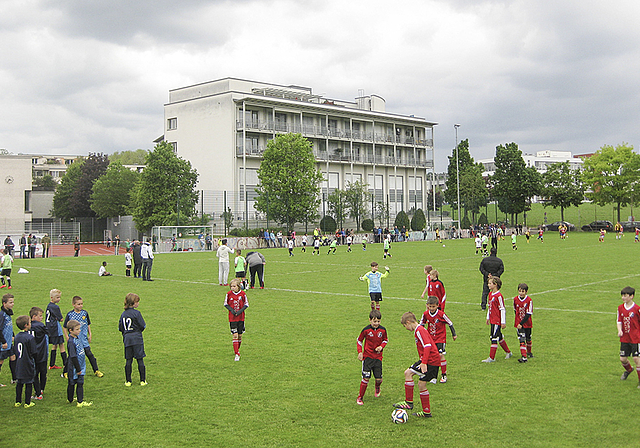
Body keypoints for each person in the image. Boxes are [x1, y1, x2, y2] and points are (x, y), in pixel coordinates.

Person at [393, 311, 441, 418]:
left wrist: (424, 363)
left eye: (405, 325)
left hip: (430, 361)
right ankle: (426, 412)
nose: (406, 328)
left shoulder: (419, 330)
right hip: (429, 360)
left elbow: (427, 346)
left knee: (409, 374)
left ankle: (409, 403)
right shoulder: (419, 330)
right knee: (419, 383)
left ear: (408, 322)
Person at [63, 296, 103, 378]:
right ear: (73, 305)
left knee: (89, 354)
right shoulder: (70, 315)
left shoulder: (85, 313)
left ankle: (96, 370)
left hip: (83, 338)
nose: (81, 306)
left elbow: (88, 324)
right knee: (71, 356)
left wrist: (90, 334)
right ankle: (65, 372)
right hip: (75, 339)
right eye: (78, 304)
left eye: (81, 304)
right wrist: (67, 336)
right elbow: (65, 327)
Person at [420, 296, 457, 383]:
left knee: (440, 355)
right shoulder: (425, 314)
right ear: (427, 306)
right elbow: (422, 324)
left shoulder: (441, 314)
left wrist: (454, 334)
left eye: (433, 306)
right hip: (430, 339)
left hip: (440, 339)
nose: (431, 308)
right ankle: (433, 376)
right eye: (430, 306)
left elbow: (450, 323)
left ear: (437, 306)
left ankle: (444, 375)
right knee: (432, 357)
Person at [356, 309, 388, 405]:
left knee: (379, 379)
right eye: (374, 321)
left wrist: (381, 347)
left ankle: (377, 386)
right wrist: (360, 352)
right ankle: (360, 397)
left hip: (378, 358)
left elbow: (385, 340)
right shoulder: (366, 330)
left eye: (378, 321)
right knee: (366, 378)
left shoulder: (383, 330)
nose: (376, 323)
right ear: (370, 320)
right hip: (368, 358)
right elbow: (359, 341)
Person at [482, 276, 512, 362]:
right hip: (492, 319)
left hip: (497, 320)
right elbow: (490, 306)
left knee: (493, 337)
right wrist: (488, 317)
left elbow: (502, 309)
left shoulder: (499, 296)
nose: (488, 285)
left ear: (495, 285)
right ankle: (508, 352)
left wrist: (503, 322)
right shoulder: (490, 294)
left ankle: (491, 358)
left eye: (490, 283)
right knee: (499, 336)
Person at [119, 293, 147, 387]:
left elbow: (121, 328)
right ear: (133, 303)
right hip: (137, 338)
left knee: (128, 360)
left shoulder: (123, 314)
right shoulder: (137, 313)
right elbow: (142, 325)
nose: (138, 304)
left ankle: (128, 381)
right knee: (140, 359)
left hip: (127, 339)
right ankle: (142, 380)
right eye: (137, 302)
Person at [65, 319, 92, 407]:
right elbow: (73, 356)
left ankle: (70, 399)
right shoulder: (71, 342)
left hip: (79, 364)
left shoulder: (77, 338)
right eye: (77, 329)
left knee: (73, 382)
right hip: (75, 366)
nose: (79, 330)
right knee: (78, 383)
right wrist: (78, 368)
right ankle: (80, 402)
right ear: (70, 330)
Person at [617, 286, 640, 386]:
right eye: (622, 295)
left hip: (636, 338)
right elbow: (619, 321)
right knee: (623, 359)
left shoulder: (637, 309)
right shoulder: (620, 308)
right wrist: (620, 330)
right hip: (625, 338)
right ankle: (629, 370)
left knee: (636, 359)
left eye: (625, 296)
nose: (623, 298)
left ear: (631, 296)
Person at [13, 315, 36, 407]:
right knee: (29, 383)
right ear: (26, 325)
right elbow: (33, 351)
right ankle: (27, 402)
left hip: (19, 363)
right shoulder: (30, 337)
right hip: (27, 363)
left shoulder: (17, 337)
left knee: (19, 383)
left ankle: (17, 401)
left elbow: (15, 349)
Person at [224, 278, 248, 361]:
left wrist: (240, 311)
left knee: (240, 336)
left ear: (238, 286)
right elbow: (226, 304)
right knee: (235, 335)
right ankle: (237, 353)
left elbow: (246, 304)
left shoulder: (243, 294)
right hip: (232, 318)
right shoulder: (229, 294)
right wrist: (232, 311)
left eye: (234, 286)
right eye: (231, 286)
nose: (232, 288)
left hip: (241, 318)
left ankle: (237, 348)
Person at [28, 307, 48, 399]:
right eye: (40, 316)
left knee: (34, 373)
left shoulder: (28, 326)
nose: (41, 318)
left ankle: (37, 391)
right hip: (42, 353)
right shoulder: (41, 326)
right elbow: (49, 332)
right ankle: (41, 390)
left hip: (32, 354)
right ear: (34, 316)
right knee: (43, 372)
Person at [46, 289, 66, 370]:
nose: (59, 299)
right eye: (57, 297)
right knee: (61, 344)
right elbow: (61, 318)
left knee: (55, 345)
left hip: (50, 327)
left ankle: (51, 364)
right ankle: (65, 363)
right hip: (55, 327)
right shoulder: (55, 307)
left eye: (59, 297)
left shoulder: (49, 305)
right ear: (52, 298)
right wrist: (60, 318)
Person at [513, 283, 533, 363]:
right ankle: (524, 356)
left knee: (528, 338)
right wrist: (518, 322)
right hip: (519, 324)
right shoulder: (515, 299)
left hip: (527, 323)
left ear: (526, 292)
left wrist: (522, 323)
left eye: (523, 291)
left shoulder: (529, 300)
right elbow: (515, 310)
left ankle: (529, 352)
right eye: (520, 291)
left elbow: (528, 314)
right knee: (522, 339)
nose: (521, 293)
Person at [0, 293, 16, 386]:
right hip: (4, 343)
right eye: (10, 302)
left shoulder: (8, 313)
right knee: (1, 361)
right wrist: (4, 342)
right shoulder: (2, 315)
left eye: (13, 302)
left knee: (13, 357)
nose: (12, 304)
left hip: (9, 341)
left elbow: (9, 326)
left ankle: (14, 378)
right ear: (4, 303)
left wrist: (12, 336)